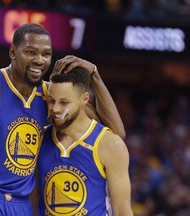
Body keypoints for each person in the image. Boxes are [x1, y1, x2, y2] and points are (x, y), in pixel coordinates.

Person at [0, 23, 124, 216]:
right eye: (31, 52)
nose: (39, 60)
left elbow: (114, 134)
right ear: (12, 52)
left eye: (46, 54)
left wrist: (95, 76)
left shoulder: (48, 96)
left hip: (22, 206)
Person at [37, 67, 133, 215]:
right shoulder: (40, 138)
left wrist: (94, 72)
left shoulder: (109, 144)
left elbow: (122, 211)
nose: (55, 109)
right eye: (51, 101)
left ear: (84, 99)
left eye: (64, 102)